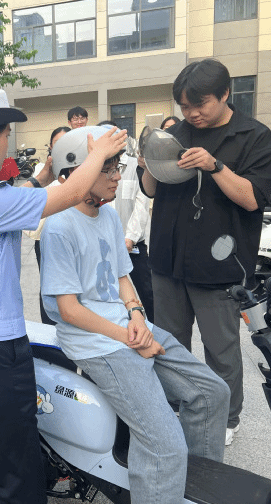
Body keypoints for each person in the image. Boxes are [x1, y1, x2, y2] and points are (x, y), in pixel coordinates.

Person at [0, 88, 127, 504]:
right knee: (17, 467)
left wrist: (43, 176)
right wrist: (99, 153)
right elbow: (71, 195)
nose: (8, 144)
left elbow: (13, 199)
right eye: (5, 135)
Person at [40, 125, 230, 504]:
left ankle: (194, 490)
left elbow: (122, 277)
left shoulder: (109, 217)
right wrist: (128, 336)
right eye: (107, 168)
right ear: (75, 173)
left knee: (212, 394)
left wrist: (138, 317)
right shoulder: (59, 227)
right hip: (96, 343)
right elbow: (68, 309)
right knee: (164, 444)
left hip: (128, 329)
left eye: (118, 167)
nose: (117, 177)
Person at [139, 58, 271, 445]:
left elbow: (252, 198)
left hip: (220, 265)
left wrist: (215, 166)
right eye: (184, 106)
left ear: (225, 94)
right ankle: (178, 405)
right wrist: (150, 160)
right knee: (170, 343)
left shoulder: (254, 137)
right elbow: (150, 190)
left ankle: (227, 418)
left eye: (199, 105)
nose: (191, 114)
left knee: (221, 348)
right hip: (168, 259)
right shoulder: (175, 133)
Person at [97, 121, 154, 323]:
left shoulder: (134, 165)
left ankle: (154, 329)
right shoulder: (94, 167)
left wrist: (130, 237)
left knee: (147, 292)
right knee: (108, 291)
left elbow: (142, 203)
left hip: (133, 244)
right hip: (103, 245)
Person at [25, 126, 68, 324]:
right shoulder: (41, 170)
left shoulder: (80, 170)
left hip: (71, 235)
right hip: (45, 237)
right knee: (48, 285)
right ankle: (49, 326)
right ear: (50, 146)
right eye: (57, 143)